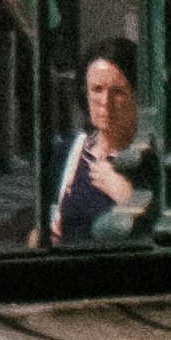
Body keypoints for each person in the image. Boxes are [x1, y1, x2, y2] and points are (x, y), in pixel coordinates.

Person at [39, 50, 153, 247]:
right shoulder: (68, 151)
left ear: (136, 97)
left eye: (117, 92)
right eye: (97, 89)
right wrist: (42, 237)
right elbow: (42, 224)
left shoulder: (148, 160)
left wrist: (128, 197)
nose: (105, 102)